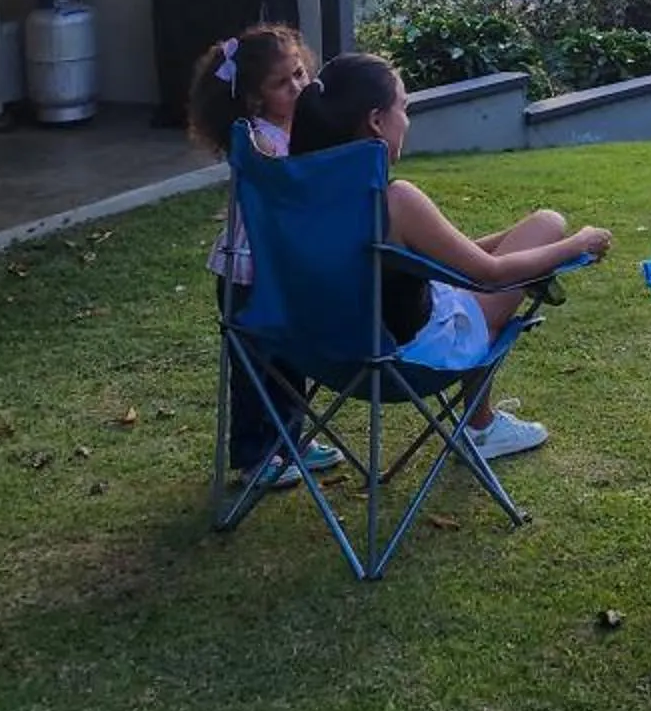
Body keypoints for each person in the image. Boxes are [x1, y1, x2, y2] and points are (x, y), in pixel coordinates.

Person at [287, 53, 612, 460]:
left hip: (319, 347)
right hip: (409, 356)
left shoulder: (293, 194)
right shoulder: (394, 201)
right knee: (550, 223)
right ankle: (481, 427)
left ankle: (482, 423)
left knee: (522, 235)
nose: (407, 120)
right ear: (375, 121)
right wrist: (578, 244)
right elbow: (491, 276)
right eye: (403, 108)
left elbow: (423, 259)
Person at [190, 25, 341, 491]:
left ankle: (288, 441)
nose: (298, 86)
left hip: (280, 271)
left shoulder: (290, 131)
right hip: (247, 275)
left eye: (299, 73)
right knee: (257, 370)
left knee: (288, 361)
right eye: (283, 82)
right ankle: (256, 457)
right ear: (255, 99)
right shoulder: (260, 140)